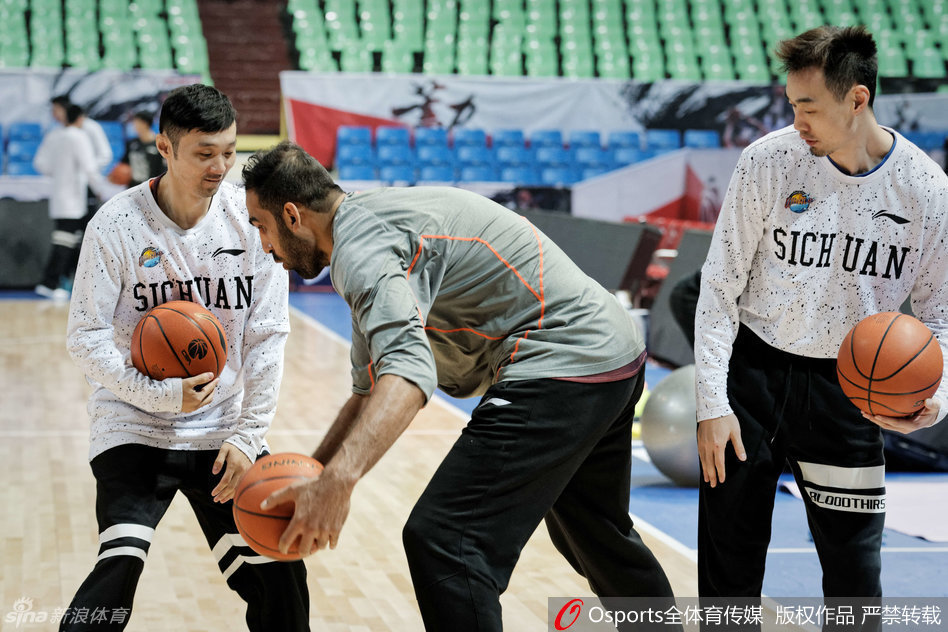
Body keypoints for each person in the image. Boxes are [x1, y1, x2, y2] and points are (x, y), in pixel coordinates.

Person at [240, 141, 679, 631]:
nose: (264, 246)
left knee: (447, 540)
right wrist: (315, 475)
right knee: (597, 536)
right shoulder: (366, 227)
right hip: (610, 351)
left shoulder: (362, 250)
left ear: (293, 215)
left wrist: (339, 483)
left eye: (261, 226)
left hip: (559, 359)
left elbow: (408, 374)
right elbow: (368, 391)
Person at [694, 25, 948, 627]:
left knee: (856, 581)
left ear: (857, 99)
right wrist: (711, 400)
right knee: (727, 576)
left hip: (850, 394)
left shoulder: (926, 192)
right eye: (791, 104)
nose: (796, 119)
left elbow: (941, 314)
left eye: (808, 106)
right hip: (750, 380)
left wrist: (931, 400)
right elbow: (718, 285)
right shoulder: (768, 161)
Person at [61, 85, 309, 631]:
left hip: (222, 431)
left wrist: (247, 435)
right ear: (165, 149)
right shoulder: (116, 224)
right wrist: (161, 394)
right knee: (119, 565)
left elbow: (268, 336)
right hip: (133, 425)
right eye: (204, 153)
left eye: (229, 151)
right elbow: (86, 336)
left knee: (281, 575)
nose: (221, 166)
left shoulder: (252, 221)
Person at [33, 103, 109, 300]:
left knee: (71, 239)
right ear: (81, 118)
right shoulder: (79, 136)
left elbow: (41, 164)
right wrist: (101, 190)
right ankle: (51, 282)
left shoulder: (55, 135)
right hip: (76, 197)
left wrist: (61, 174)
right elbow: (89, 167)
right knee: (68, 240)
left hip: (61, 195)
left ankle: (62, 282)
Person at [117, 110, 165, 187]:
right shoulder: (132, 143)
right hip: (133, 188)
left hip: (151, 189)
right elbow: (124, 164)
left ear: (144, 123)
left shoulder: (159, 145)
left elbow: (163, 171)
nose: (133, 125)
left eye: (136, 122)